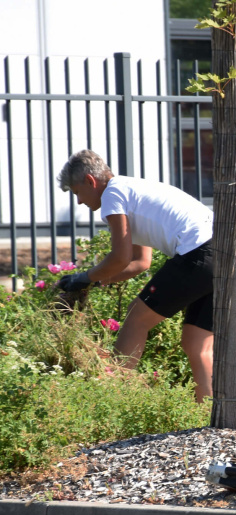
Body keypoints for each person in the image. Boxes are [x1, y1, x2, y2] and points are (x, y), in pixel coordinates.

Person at [56, 149, 214, 403]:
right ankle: (210, 415)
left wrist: (83, 277)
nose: (79, 202)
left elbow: (119, 257)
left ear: (90, 181)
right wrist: (95, 280)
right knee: (197, 344)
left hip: (198, 252)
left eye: (76, 193)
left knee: (136, 318)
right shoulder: (130, 189)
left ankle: (114, 398)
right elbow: (140, 262)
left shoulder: (113, 194)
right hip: (224, 255)